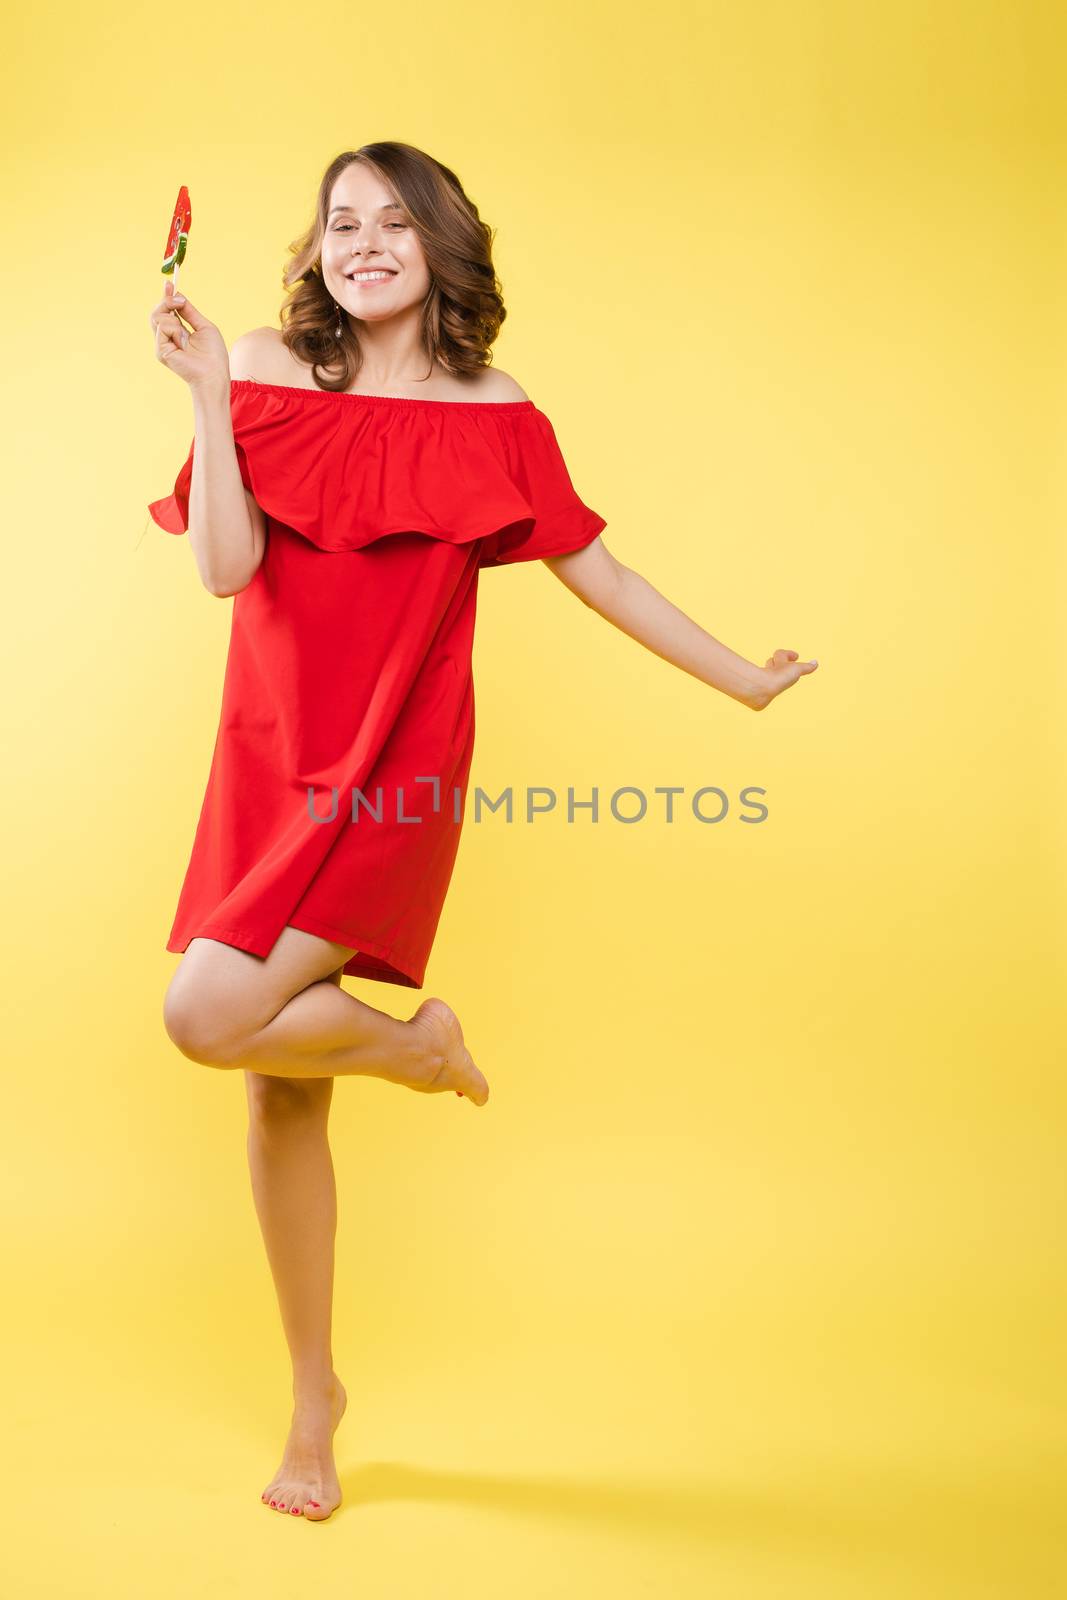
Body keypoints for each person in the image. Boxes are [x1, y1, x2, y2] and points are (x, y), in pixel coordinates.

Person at [146, 141, 818, 1524]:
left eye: (396, 221)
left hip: (396, 775)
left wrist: (744, 679)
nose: (366, 242)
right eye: (343, 222)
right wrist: (212, 396)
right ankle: (315, 1401)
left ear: (443, 248)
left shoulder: (497, 411)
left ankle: (415, 1047)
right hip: (268, 766)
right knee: (277, 1087)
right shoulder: (264, 367)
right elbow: (223, 569)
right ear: (318, 250)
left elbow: (603, 573)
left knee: (208, 1013)